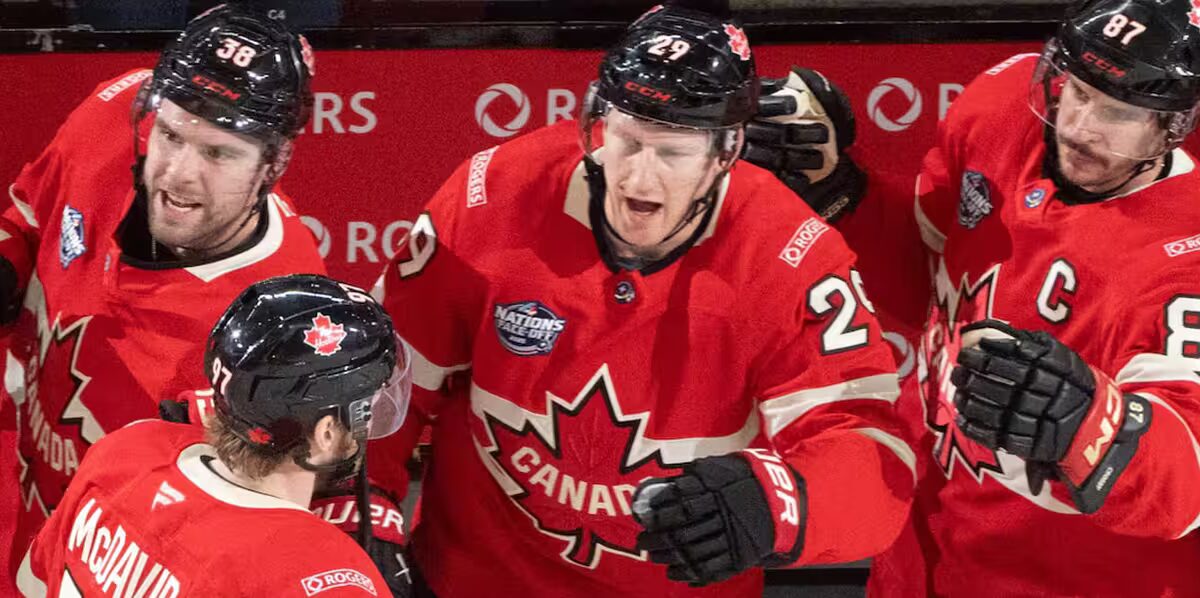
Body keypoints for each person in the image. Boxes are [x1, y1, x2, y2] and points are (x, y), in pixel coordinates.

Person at [367, 4, 916, 596]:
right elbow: (385, 377)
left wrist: (779, 505)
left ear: (726, 149)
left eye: (674, 153)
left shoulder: (792, 254)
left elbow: (870, 451)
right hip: (472, 579)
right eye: (627, 139)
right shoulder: (493, 194)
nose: (638, 181)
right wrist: (366, 507)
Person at [751, 0, 1200, 594]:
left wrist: (1089, 424)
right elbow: (924, 271)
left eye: (1117, 112)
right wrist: (842, 195)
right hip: (921, 552)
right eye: (1078, 91)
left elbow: (1186, 484)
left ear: (1170, 124)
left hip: (1070, 579)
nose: (1079, 126)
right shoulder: (999, 109)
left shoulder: (1183, 251)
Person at [1, 3, 326, 576]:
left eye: (218, 153)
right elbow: (27, 219)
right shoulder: (111, 116)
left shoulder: (281, 323)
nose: (177, 173)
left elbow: (242, 533)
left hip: (103, 570)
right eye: (171, 135)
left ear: (274, 163)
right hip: (15, 501)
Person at [15, 274, 412, 597]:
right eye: (367, 403)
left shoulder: (125, 449)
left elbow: (32, 583)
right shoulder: (319, 573)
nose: (371, 417)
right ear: (326, 433)